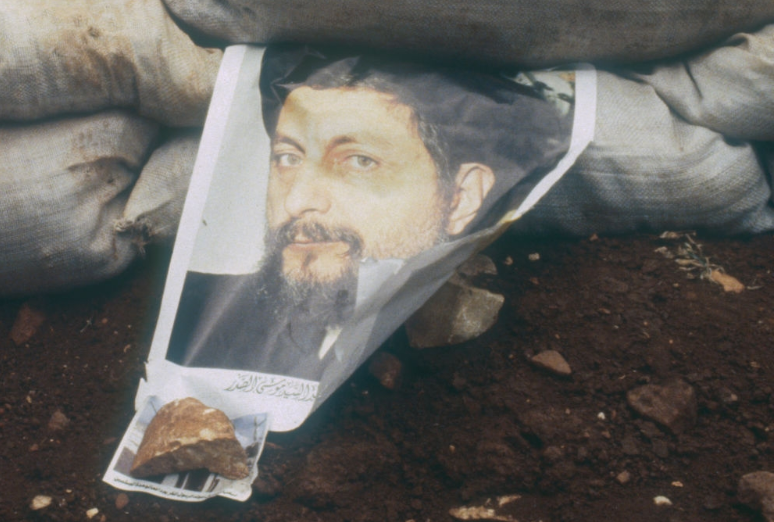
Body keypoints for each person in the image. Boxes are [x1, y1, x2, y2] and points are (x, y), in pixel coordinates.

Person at [166, 55, 564, 379]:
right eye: (288, 158)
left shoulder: (469, 356)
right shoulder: (193, 319)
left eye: (359, 161)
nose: (297, 200)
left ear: (460, 198)